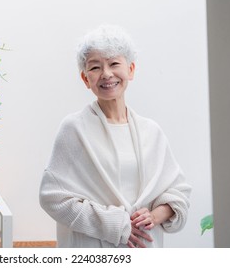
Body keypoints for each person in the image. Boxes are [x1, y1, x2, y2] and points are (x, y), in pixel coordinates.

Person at [39, 25, 192, 248]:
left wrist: (155, 215)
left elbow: (178, 192)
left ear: (130, 69)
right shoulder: (74, 128)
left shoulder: (152, 132)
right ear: (85, 78)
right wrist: (114, 225)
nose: (106, 74)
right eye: (95, 67)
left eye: (114, 64)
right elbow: (52, 197)